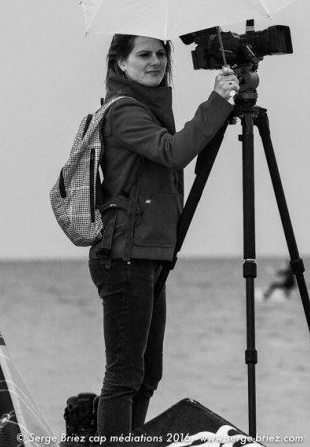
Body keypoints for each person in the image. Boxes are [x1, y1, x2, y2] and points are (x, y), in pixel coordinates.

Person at [90, 34, 238, 441]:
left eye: (161, 53)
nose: (155, 61)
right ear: (121, 64)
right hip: (124, 256)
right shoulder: (124, 113)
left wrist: (228, 100)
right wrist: (217, 103)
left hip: (148, 255)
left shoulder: (150, 109)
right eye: (144, 54)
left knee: (147, 374)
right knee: (124, 376)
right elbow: (173, 152)